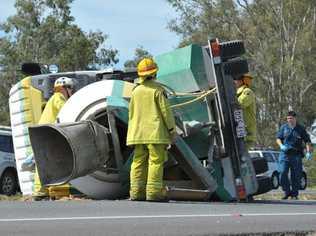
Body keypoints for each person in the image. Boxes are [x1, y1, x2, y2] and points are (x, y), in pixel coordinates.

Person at [126, 58, 176, 202]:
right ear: (154, 73)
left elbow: (131, 112)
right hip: (155, 134)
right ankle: (153, 193)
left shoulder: (135, 91)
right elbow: (166, 112)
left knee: (138, 162)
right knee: (155, 161)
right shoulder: (158, 90)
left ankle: (136, 193)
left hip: (137, 134)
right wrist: (172, 130)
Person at [32, 76, 74, 200]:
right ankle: (42, 191)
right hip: (46, 133)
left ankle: (41, 191)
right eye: (70, 88)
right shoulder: (58, 97)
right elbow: (67, 111)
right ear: (63, 88)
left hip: (44, 133)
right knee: (46, 162)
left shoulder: (53, 98)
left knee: (44, 162)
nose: (71, 91)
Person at [276, 111, 313, 200]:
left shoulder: (300, 129)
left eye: (291, 118)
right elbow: (278, 139)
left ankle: (294, 194)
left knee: (296, 175)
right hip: (285, 154)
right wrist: (281, 145)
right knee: (282, 173)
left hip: (296, 155)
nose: (289, 120)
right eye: (288, 118)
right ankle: (286, 192)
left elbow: (307, 141)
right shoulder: (284, 128)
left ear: (295, 118)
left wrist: (308, 152)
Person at [233, 74, 257, 149]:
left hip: (246, 134)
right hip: (240, 132)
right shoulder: (237, 93)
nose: (234, 82)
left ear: (242, 81)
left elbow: (239, 104)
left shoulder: (247, 92)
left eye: (236, 80)